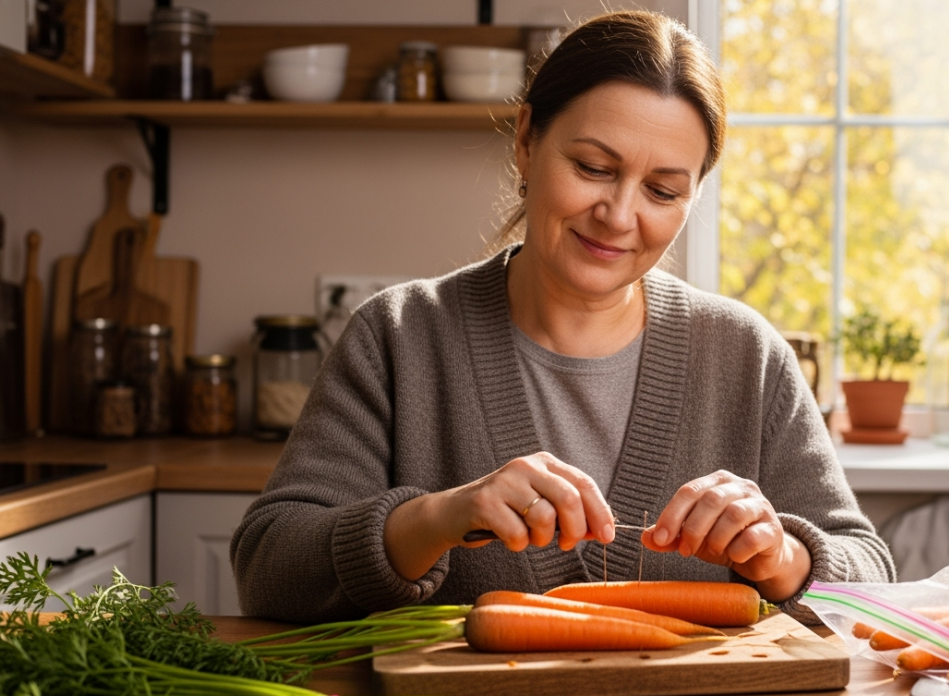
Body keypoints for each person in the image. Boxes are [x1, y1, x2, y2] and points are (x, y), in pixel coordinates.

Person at [231, 10, 894, 625]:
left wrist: (782, 558)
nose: (619, 214)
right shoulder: (397, 337)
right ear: (525, 141)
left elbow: (872, 582)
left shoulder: (745, 354)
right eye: (593, 167)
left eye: (663, 191)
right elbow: (268, 568)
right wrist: (437, 518)